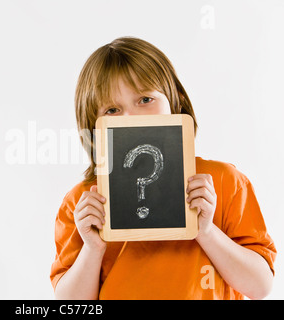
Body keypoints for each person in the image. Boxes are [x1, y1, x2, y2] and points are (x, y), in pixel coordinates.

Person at [50, 37, 277, 300]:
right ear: (94, 128)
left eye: (145, 99)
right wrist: (92, 248)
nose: (131, 118)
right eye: (112, 109)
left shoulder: (223, 182)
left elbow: (260, 287)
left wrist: (206, 231)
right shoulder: (83, 203)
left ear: (176, 101)